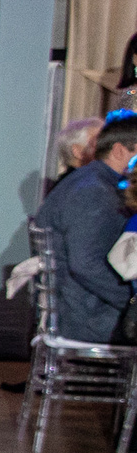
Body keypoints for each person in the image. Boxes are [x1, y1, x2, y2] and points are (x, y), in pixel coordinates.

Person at [31, 108, 137, 344]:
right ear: (120, 151)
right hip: (88, 318)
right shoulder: (94, 192)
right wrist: (132, 300)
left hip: (82, 309)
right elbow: (86, 264)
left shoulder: (92, 182)